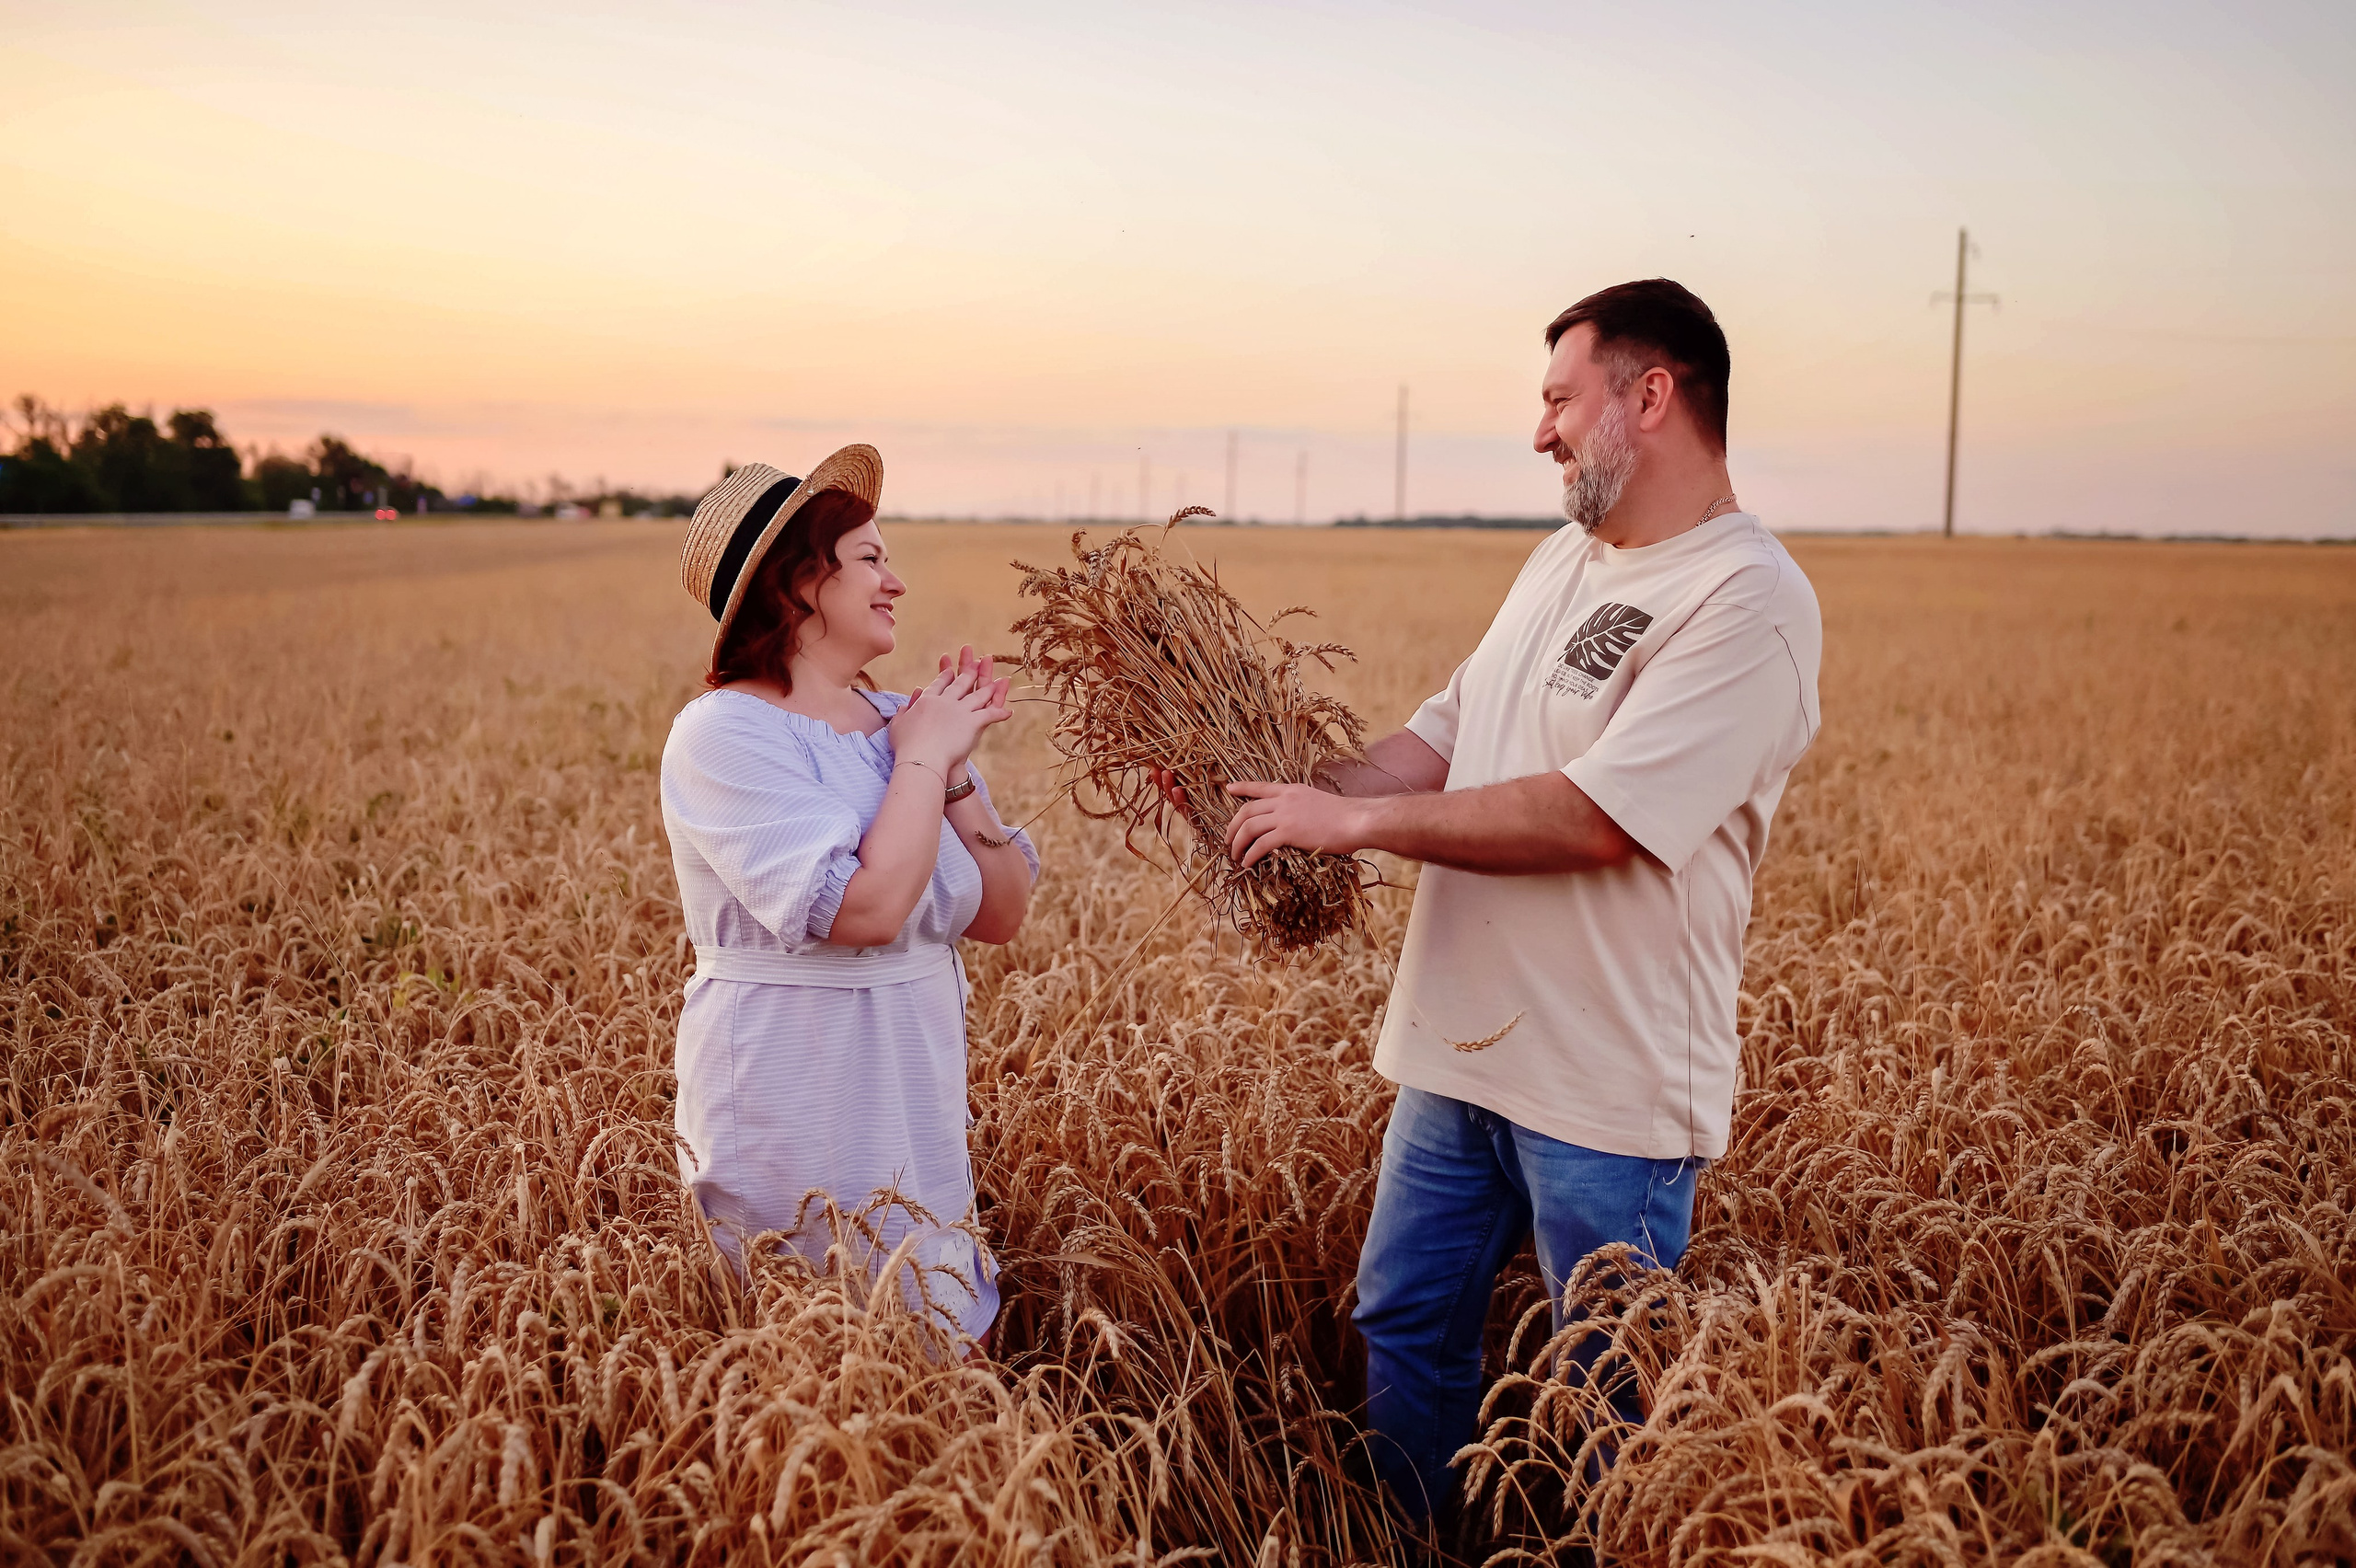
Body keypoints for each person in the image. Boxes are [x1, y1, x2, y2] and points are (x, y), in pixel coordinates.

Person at [1161, 280, 1822, 1520]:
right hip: (1460, 1052)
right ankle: (1425, 1547)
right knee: (1403, 1323)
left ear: (1652, 396)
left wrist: (1351, 824)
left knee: (1607, 1393)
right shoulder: (1561, 559)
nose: (1540, 434)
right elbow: (1445, 735)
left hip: (1606, 1086)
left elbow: (1594, 816)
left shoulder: (1748, 600)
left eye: (1559, 402)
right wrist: (1274, 796)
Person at [661, 446, 1036, 1347]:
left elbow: (1001, 910)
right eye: (870, 558)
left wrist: (947, 770)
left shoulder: (904, 719)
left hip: (914, 1100)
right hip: (797, 1097)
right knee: (812, 1359)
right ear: (798, 585)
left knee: (944, 1350)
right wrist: (924, 756)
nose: (896, 583)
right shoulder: (726, 734)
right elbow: (862, 914)